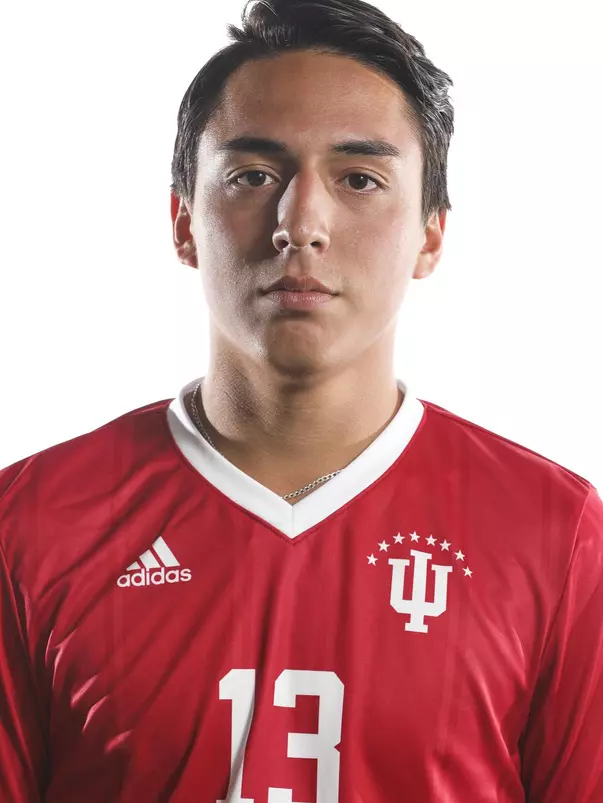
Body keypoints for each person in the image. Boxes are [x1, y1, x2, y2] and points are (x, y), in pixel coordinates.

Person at [1, 0, 602, 799]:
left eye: (359, 178)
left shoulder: (553, 533)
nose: (300, 221)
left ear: (430, 234)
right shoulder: (31, 523)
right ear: (183, 221)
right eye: (253, 176)